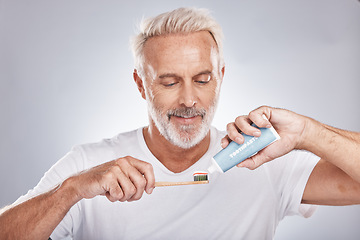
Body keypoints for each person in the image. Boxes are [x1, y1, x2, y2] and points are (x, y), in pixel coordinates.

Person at [0, 7, 360, 240]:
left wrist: (308, 133)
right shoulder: (85, 166)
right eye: (170, 82)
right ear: (141, 84)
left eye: (202, 80)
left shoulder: (263, 158)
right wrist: (71, 191)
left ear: (220, 76)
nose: (189, 100)